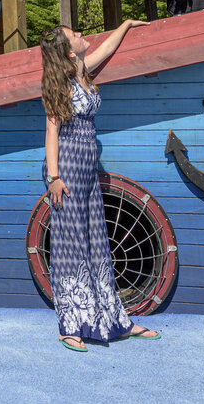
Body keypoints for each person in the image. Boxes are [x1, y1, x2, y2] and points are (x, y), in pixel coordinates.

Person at [40, 21, 158, 351]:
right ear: (67, 51)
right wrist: (54, 178)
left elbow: (107, 48)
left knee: (95, 241)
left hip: (88, 169)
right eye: (74, 35)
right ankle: (70, 326)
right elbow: (51, 132)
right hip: (66, 170)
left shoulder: (81, 69)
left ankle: (113, 320)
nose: (81, 35)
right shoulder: (60, 82)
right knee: (69, 246)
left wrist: (127, 24)